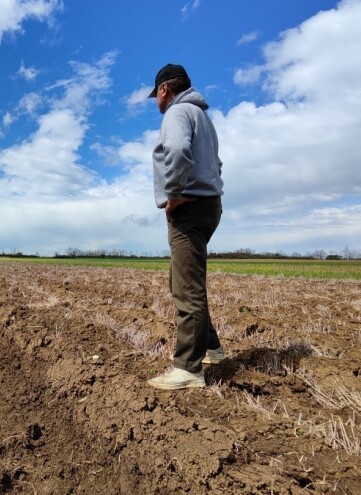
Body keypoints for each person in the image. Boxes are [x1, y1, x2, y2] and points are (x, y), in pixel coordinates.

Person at [146, 63, 225, 390]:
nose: (156, 102)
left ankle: (188, 369)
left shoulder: (177, 114)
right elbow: (216, 163)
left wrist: (174, 195)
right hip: (209, 206)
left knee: (185, 287)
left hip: (189, 207)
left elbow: (177, 150)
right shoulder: (203, 118)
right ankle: (212, 348)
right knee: (185, 279)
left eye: (156, 95)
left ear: (165, 89)